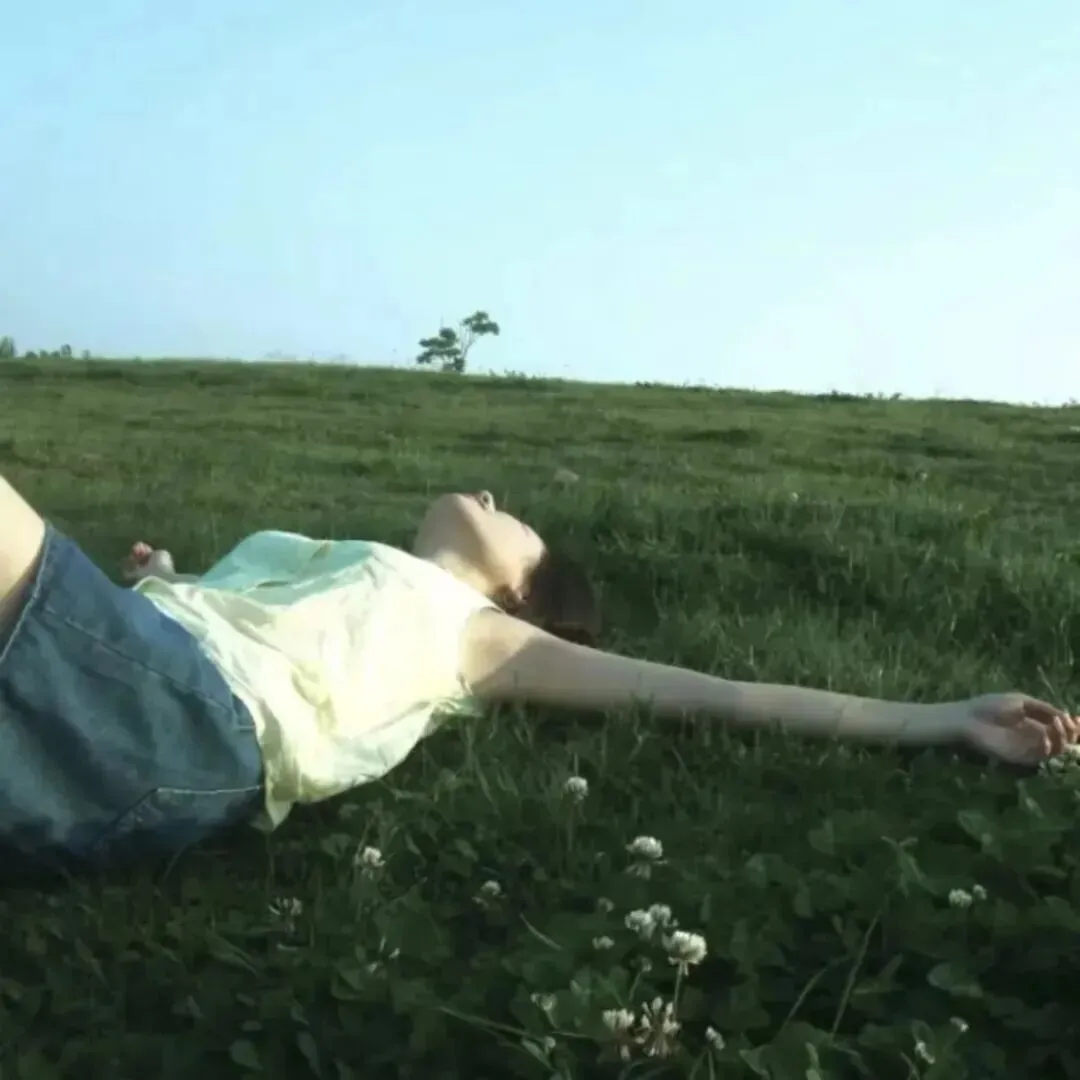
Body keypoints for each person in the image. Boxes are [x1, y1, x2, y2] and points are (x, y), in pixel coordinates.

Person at [1, 472, 1077, 871]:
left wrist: (942, 716)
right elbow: (238, 617)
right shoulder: (344, 570)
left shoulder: (480, 636)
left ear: (524, 589)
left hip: (188, 724)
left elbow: (722, 695)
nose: (490, 497)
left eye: (516, 520)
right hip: (131, 693)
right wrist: (168, 578)